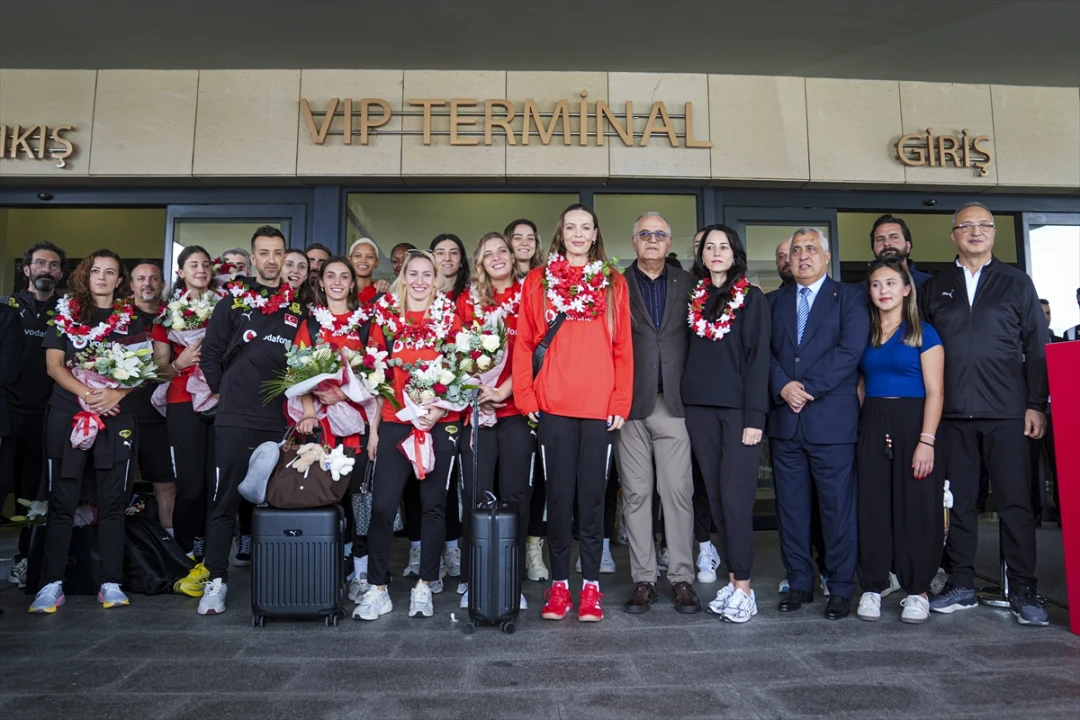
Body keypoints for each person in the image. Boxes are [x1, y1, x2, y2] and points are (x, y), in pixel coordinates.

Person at [921, 202, 1049, 626]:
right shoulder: (937, 285)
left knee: (1015, 503)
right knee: (958, 504)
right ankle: (961, 584)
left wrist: (1035, 403)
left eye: (984, 225)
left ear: (993, 233)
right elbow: (920, 348)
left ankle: (1025, 589)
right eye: (966, 226)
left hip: (1008, 413)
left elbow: (1036, 347)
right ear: (953, 234)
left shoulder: (1016, 282)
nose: (976, 231)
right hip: (953, 415)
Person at [512, 203, 633, 622]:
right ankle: (559, 586)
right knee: (559, 500)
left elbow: (623, 347)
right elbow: (524, 343)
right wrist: (527, 398)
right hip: (554, 407)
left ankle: (592, 589)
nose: (579, 234)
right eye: (571, 228)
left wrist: (620, 401)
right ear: (560, 234)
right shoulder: (537, 280)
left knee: (593, 500)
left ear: (596, 234)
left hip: (599, 407)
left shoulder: (612, 281)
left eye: (586, 228)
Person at [30, 250, 159, 612]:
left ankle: (111, 582)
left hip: (115, 416)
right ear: (86, 276)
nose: (102, 277)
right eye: (96, 271)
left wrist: (116, 393)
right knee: (63, 501)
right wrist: (89, 394)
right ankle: (51, 583)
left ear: (120, 281)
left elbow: (145, 368)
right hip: (68, 414)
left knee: (113, 501)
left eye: (111, 272)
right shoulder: (65, 314)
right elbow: (54, 367)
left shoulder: (130, 319)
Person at [195, 226, 304, 615]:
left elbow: (306, 365)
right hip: (235, 418)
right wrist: (227, 391)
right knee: (223, 500)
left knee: (281, 502)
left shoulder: (299, 308)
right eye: (265, 253)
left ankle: (283, 578)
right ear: (253, 259)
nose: (272, 260)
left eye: (278, 253)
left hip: (280, 420)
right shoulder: (232, 303)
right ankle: (217, 581)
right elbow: (209, 355)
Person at [354, 250, 464, 621]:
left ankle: (424, 586)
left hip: (438, 421)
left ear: (436, 279)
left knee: (433, 506)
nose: (419, 280)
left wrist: (437, 410)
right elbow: (374, 378)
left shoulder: (450, 319)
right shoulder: (384, 319)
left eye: (426, 274)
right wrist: (373, 430)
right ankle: (378, 588)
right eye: (412, 273)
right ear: (403, 277)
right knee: (384, 505)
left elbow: (461, 372)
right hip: (395, 421)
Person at [768, 228, 868, 620]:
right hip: (785, 423)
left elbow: (849, 351)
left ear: (827, 257)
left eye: (812, 249)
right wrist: (782, 386)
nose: (804, 256)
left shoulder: (851, 298)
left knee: (837, 509)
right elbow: (764, 354)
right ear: (788, 261)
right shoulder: (773, 302)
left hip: (831, 422)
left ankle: (841, 586)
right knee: (791, 510)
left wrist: (804, 388)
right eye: (797, 251)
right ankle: (799, 582)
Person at [683, 224, 771, 623]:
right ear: (701, 254)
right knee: (716, 500)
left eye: (724, 247)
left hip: (737, 413)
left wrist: (755, 417)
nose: (716, 252)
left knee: (736, 500)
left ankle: (745, 589)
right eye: (709, 246)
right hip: (698, 409)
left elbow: (758, 362)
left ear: (735, 254)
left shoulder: (751, 299)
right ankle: (732, 581)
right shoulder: (695, 298)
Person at [614, 212, 700, 616]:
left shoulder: (690, 285)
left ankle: (682, 578)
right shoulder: (615, 285)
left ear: (669, 244)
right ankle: (643, 579)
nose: (652, 240)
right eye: (644, 234)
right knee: (636, 495)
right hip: (629, 405)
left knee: (678, 493)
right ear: (633, 242)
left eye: (659, 235)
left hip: (674, 404)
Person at [855, 258, 944, 624]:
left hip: (915, 424)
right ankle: (874, 586)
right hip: (874, 423)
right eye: (876, 285)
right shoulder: (866, 332)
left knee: (916, 508)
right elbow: (860, 383)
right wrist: (867, 424)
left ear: (907, 289)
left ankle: (918, 591)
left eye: (891, 284)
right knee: (872, 507)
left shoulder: (925, 333)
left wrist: (927, 440)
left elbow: (936, 391)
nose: (883, 291)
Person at [290, 256, 376, 613]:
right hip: (323, 431)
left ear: (353, 284)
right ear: (321, 284)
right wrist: (309, 411)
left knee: (360, 504)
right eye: (331, 276)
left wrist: (345, 394)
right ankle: (330, 569)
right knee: (327, 501)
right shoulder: (310, 323)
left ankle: (360, 575)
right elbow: (298, 371)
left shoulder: (367, 325)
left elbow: (377, 376)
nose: (338, 282)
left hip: (358, 428)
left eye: (345, 276)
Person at [455, 231, 533, 611]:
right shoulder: (468, 301)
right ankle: (474, 578)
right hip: (478, 413)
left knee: (515, 495)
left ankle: (511, 578)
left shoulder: (530, 293)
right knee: (476, 493)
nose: (498, 257)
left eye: (503, 250)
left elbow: (533, 351)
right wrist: (477, 389)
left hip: (516, 410)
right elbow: (456, 350)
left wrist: (505, 392)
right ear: (481, 262)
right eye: (489, 254)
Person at [0, 241, 65, 589]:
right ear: (26, 269)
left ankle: (24, 560)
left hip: (47, 414)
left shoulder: (66, 312)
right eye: (40, 263)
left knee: (35, 493)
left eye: (54, 265)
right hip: (8, 414)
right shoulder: (6, 307)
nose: (47, 269)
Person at [150, 246, 219, 568]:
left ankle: (211, 550)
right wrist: (180, 362)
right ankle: (185, 551)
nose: (201, 269)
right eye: (193, 265)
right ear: (180, 273)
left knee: (214, 482)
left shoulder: (226, 308)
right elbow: (159, 370)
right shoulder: (166, 314)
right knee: (190, 485)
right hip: (182, 401)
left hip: (219, 400)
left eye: (205, 264)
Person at [505, 219, 551, 582]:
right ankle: (503, 547)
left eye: (529, 237)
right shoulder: (493, 286)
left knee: (541, 480)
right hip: (505, 400)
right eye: (515, 237)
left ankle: (534, 547)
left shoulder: (550, 280)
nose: (523, 242)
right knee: (512, 482)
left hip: (546, 394)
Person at [129, 260, 177, 535]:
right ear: (132, 284)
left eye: (154, 278)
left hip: (160, 414)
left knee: (166, 483)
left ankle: (169, 547)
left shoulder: (176, 316)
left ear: (162, 284)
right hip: (121, 411)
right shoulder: (118, 317)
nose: (148, 283)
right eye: (141, 278)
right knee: (114, 484)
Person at [868, 214, 932, 290]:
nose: (887, 243)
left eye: (894, 237)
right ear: (873, 248)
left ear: (908, 246)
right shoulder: (861, 291)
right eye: (880, 239)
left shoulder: (930, 284)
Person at [348, 237, 389, 306]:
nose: (363, 260)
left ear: (376, 263)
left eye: (369, 257)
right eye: (358, 256)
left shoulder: (383, 291)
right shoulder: (341, 290)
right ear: (350, 261)